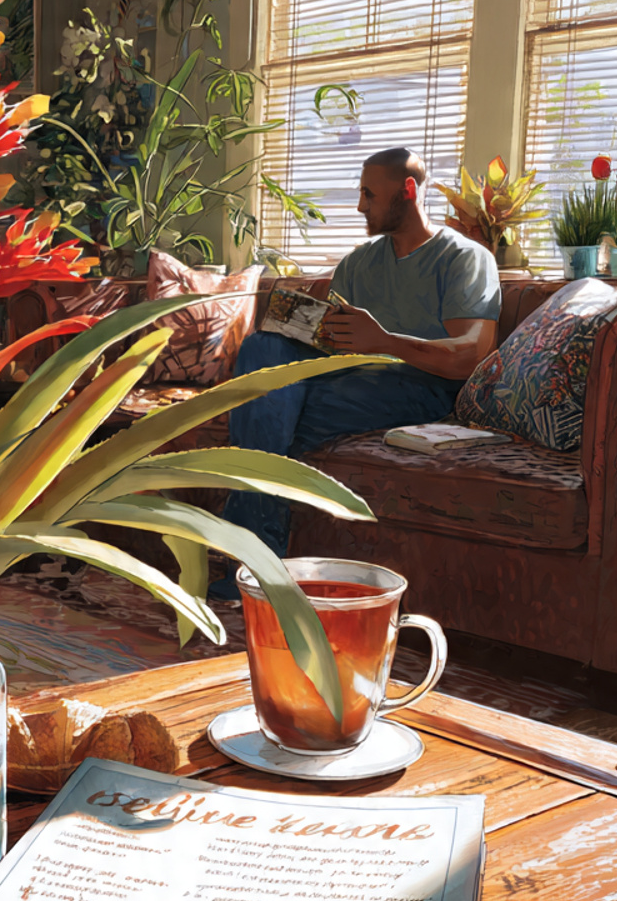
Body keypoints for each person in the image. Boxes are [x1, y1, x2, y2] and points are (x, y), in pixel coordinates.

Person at [213, 146, 500, 596]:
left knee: (267, 411)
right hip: (348, 376)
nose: (360, 206)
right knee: (261, 347)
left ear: (408, 190)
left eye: (369, 194)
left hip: (421, 387)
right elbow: (334, 340)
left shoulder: (464, 258)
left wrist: (384, 341)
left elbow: (471, 355)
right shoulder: (358, 263)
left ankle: (253, 560)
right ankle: (261, 566)